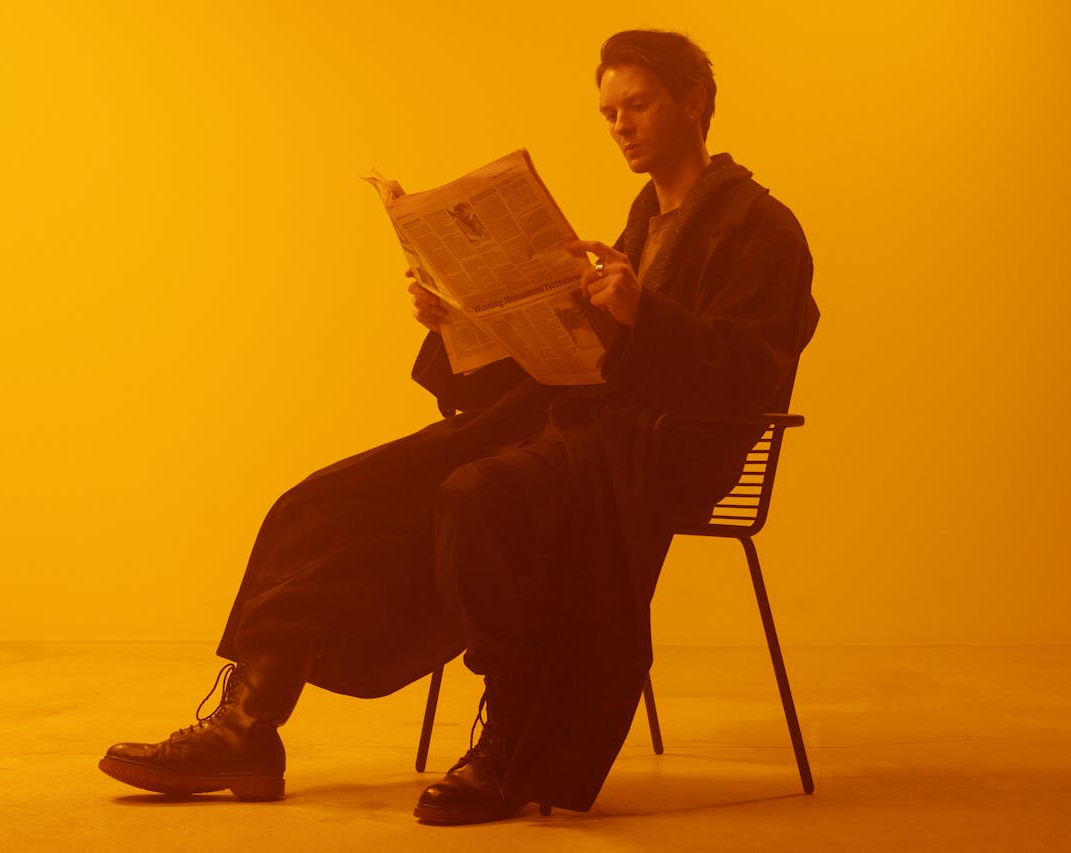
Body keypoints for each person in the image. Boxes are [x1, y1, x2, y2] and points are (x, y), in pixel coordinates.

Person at [98, 28, 818, 824]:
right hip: (571, 420)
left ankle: (513, 741)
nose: (620, 125)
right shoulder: (640, 226)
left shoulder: (762, 227)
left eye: (638, 105)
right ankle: (247, 723)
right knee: (331, 498)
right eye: (609, 111)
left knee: (480, 494)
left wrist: (642, 313)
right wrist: (458, 326)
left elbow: (749, 368)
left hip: (660, 448)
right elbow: (573, 359)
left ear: (696, 101)